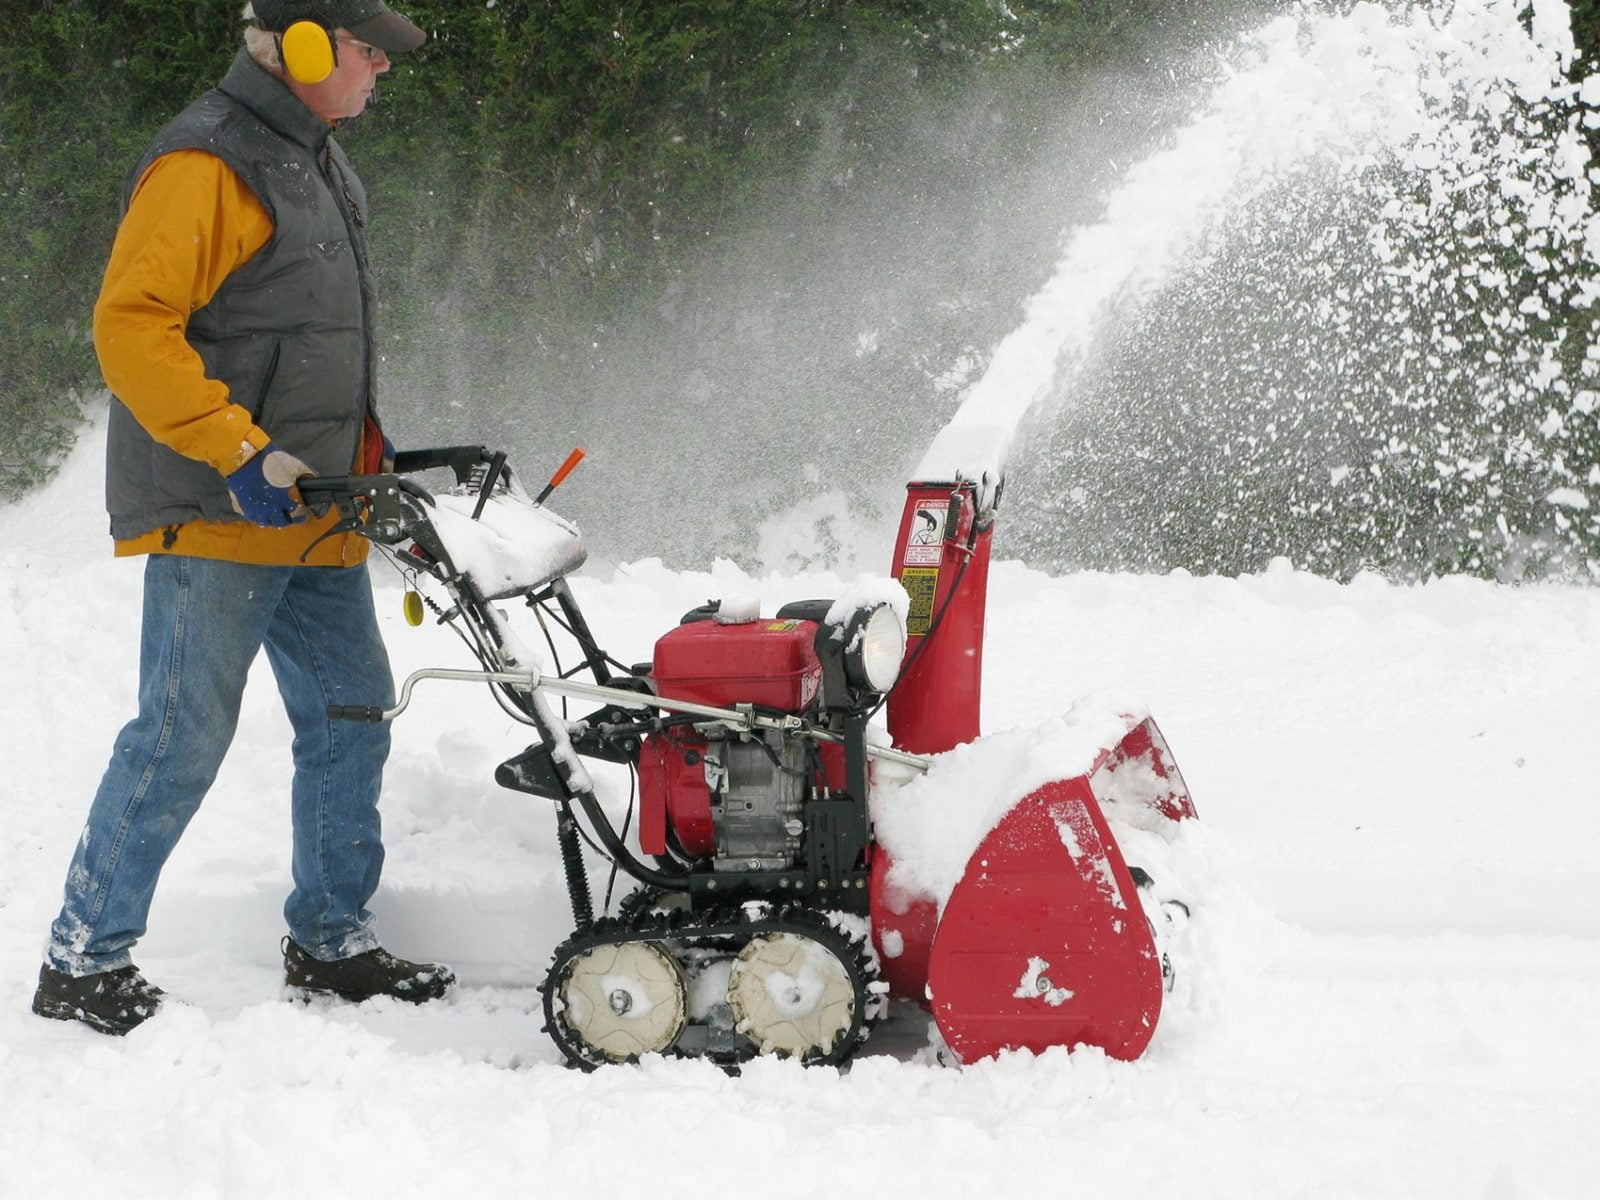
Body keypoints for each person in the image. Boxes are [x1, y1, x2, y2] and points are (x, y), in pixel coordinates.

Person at [32, 0, 454, 1036]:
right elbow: (131, 329)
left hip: (309, 509)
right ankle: (82, 958)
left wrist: (366, 453)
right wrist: (238, 447)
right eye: (366, 53)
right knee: (181, 734)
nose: (378, 73)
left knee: (353, 712)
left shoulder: (314, 160)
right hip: (220, 504)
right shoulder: (207, 163)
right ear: (303, 48)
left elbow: (298, 334)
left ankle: (329, 937)